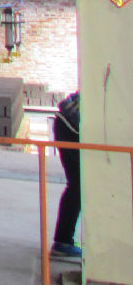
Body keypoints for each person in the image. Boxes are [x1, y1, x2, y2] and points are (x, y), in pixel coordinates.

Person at [51, 91, 81, 259]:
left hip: (71, 123)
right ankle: (63, 242)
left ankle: (63, 241)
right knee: (78, 186)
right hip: (71, 126)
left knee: (78, 186)